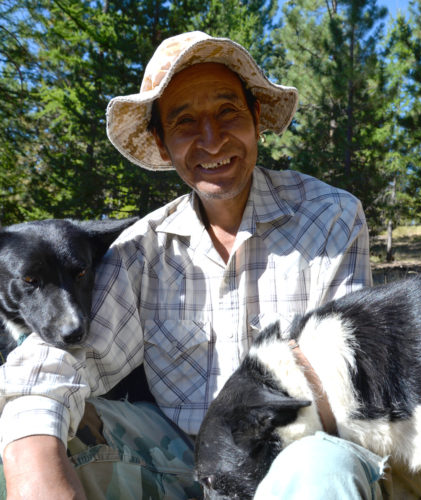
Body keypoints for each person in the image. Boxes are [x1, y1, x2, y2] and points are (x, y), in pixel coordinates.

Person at [0, 31, 378, 499]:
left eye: (228, 112)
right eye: (183, 122)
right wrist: (30, 456)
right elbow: (67, 362)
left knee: (326, 466)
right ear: (161, 143)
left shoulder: (331, 217)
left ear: (256, 118)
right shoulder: (144, 247)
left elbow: (352, 378)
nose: (211, 140)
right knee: (36, 433)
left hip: (294, 453)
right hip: (180, 462)